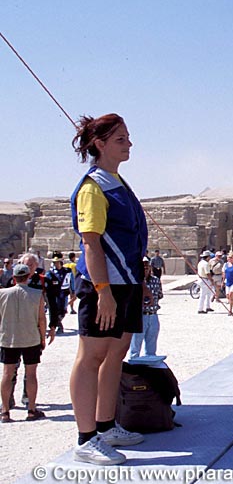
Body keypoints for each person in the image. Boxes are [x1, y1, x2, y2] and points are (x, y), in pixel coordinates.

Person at [69, 113, 148, 465]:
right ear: (99, 144)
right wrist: (103, 292)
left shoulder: (116, 181)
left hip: (126, 281)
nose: (129, 144)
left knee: (116, 353)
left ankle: (106, 425)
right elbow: (91, 243)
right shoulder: (93, 187)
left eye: (127, 137)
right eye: (120, 139)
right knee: (91, 357)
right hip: (105, 284)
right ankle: (86, 438)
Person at [1, 264, 53, 423]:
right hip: (31, 338)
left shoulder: (2, 294)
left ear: (14, 277)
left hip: (9, 338)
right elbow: (41, 319)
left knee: (7, 374)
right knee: (31, 374)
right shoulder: (37, 294)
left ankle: (5, 411)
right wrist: (42, 338)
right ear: (28, 276)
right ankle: (31, 409)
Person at [129, 257, 162, 359]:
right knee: (135, 347)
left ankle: (149, 364)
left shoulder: (156, 280)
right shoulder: (134, 281)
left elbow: (159, 295)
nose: (145, 267)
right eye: (143, 265)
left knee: (151, 347)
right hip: (139, 316)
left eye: (147, 264)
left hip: (153, 315)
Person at [45, 254, 70, 334]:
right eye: (54, 262)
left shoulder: (67, 271)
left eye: (57, 262)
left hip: (64, 293)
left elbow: (71, 281)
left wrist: (73, 291)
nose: (56, 264)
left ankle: (58, 322)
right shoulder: (50, 273)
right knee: (54, 310)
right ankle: (58, 325)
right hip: (54, 294)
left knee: (63, 310)